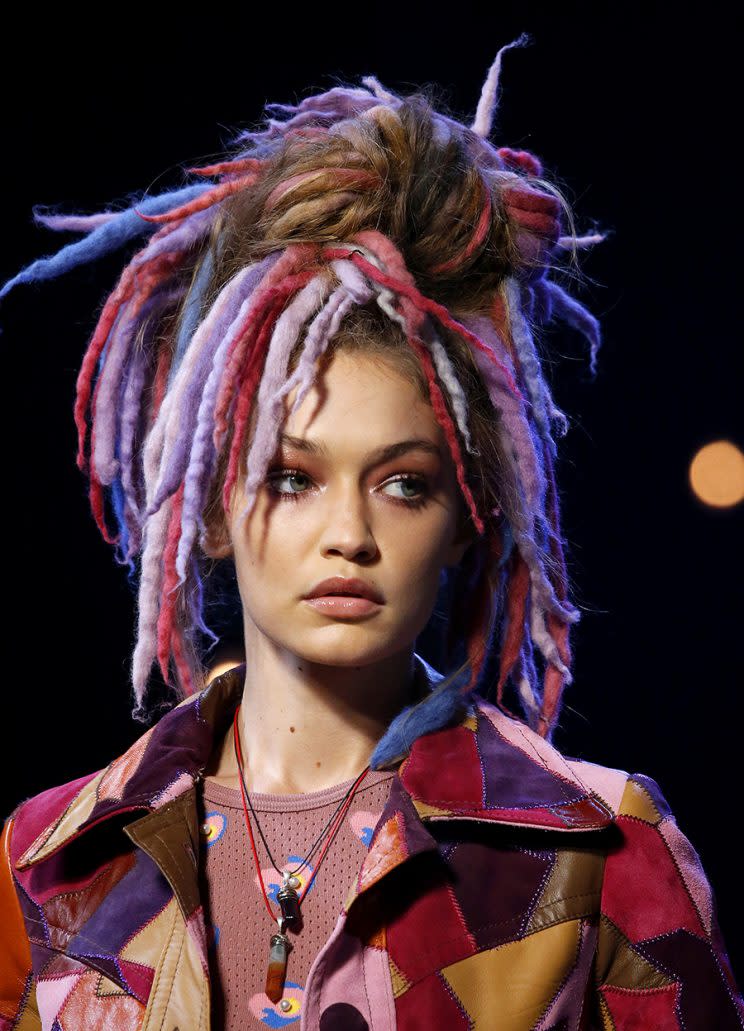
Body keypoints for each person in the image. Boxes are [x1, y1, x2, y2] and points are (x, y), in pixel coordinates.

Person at [0, 34, 742, 1031]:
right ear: (209, 509)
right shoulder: (52, 861)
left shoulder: (599, 858)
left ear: (470, 517)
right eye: (292, 476)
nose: (347, 531)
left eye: (402, 481)